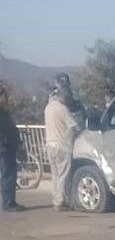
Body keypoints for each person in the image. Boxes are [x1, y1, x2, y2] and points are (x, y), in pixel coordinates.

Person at [44, 73, 82, 211]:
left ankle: (56, 200)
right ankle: (61, 202)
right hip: (62, 146)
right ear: (62, 97)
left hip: (50, 144)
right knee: (63, 175)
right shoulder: (63, 109)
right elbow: (74, 126)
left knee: (55, 175)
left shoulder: (48, 108)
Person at [0, 81, 25, 212]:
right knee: (8, 174)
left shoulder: (4, 111)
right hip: (5, 147)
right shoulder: (2, 112)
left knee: (9, 174)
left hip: (7, 146)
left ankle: (10, 201)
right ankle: (8, 203)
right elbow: (6, 129)